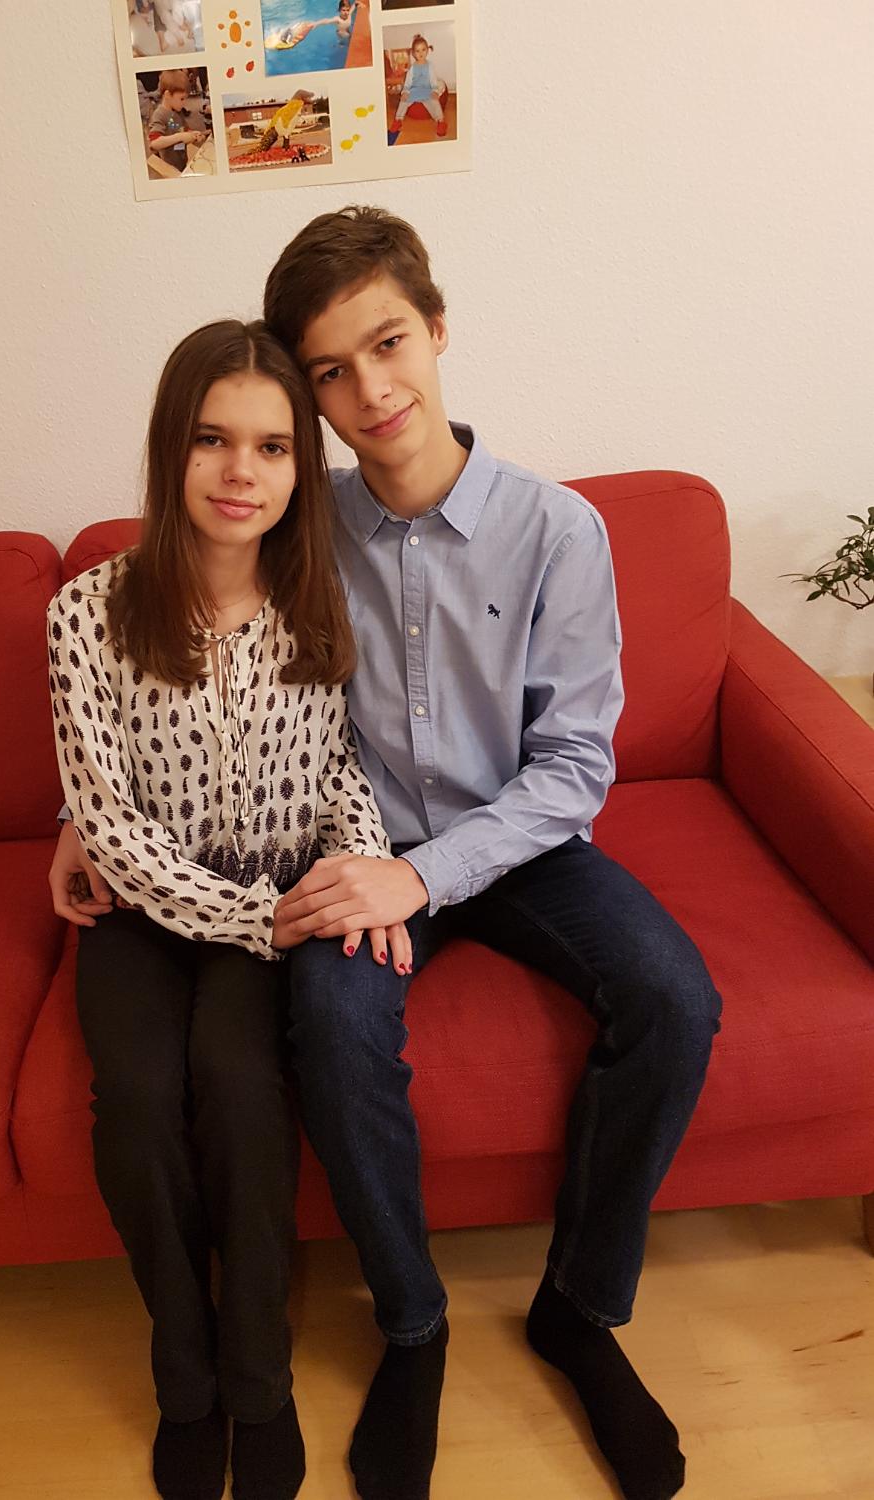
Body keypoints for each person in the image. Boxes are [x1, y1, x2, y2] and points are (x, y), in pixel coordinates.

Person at [51, 207, 721, 1500]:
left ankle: (581, 1311)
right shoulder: (304, 528)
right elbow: (168, 679)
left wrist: (425, 874)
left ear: (438, 329)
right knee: (332, 1024)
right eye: (331, 370)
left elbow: (575, 767)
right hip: (353, 852)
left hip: (510, 845)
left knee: (675, 998)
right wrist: (78, 818)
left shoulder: (558, 530)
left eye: (389, 343)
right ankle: (412, 1326)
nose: (370, 389)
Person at [48, 318, 409, 1500]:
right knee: (138, 1101)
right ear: (171, 447)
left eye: (271, 446)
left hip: (279, 895)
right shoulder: (87, 612)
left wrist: (358, 871)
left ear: (303, 465)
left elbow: (349, 766)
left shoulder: (323, 599)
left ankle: (260, 1377)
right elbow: (105, 818)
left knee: (246, 1094)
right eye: (212, 439)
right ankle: (185, 1368)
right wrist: (254, 921)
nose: (239, 471)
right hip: (153, 911)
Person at [388, 34, 446, 144]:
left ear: (427, 51)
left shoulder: (430, 66)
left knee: (435, 101)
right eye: (418, 51)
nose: (421, 53)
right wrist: (405, 92)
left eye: (423, 50)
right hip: (414, 90)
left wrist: (435, 91)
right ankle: (398, 119)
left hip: (427, 90)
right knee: (403, 101)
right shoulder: (412, 68)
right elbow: (408, 82)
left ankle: (441, 121)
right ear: (414, 53)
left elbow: (433, 80)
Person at [146, 68, 205, 176]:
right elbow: (154, 143)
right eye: (181, 99)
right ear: (168, 95)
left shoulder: (177, 111)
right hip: (170, 169)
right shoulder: (159, 115)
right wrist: (180, 137)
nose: (184, 103)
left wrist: (193, 134)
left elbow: (184, 129)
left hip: (182, 163)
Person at [256, 90, 315, 155]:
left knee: (285, 135)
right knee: (285, 135)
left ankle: (285, 147)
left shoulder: (295, 106)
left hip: (282, 125)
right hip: (282, 126)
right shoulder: (293, 106)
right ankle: (286, 148)